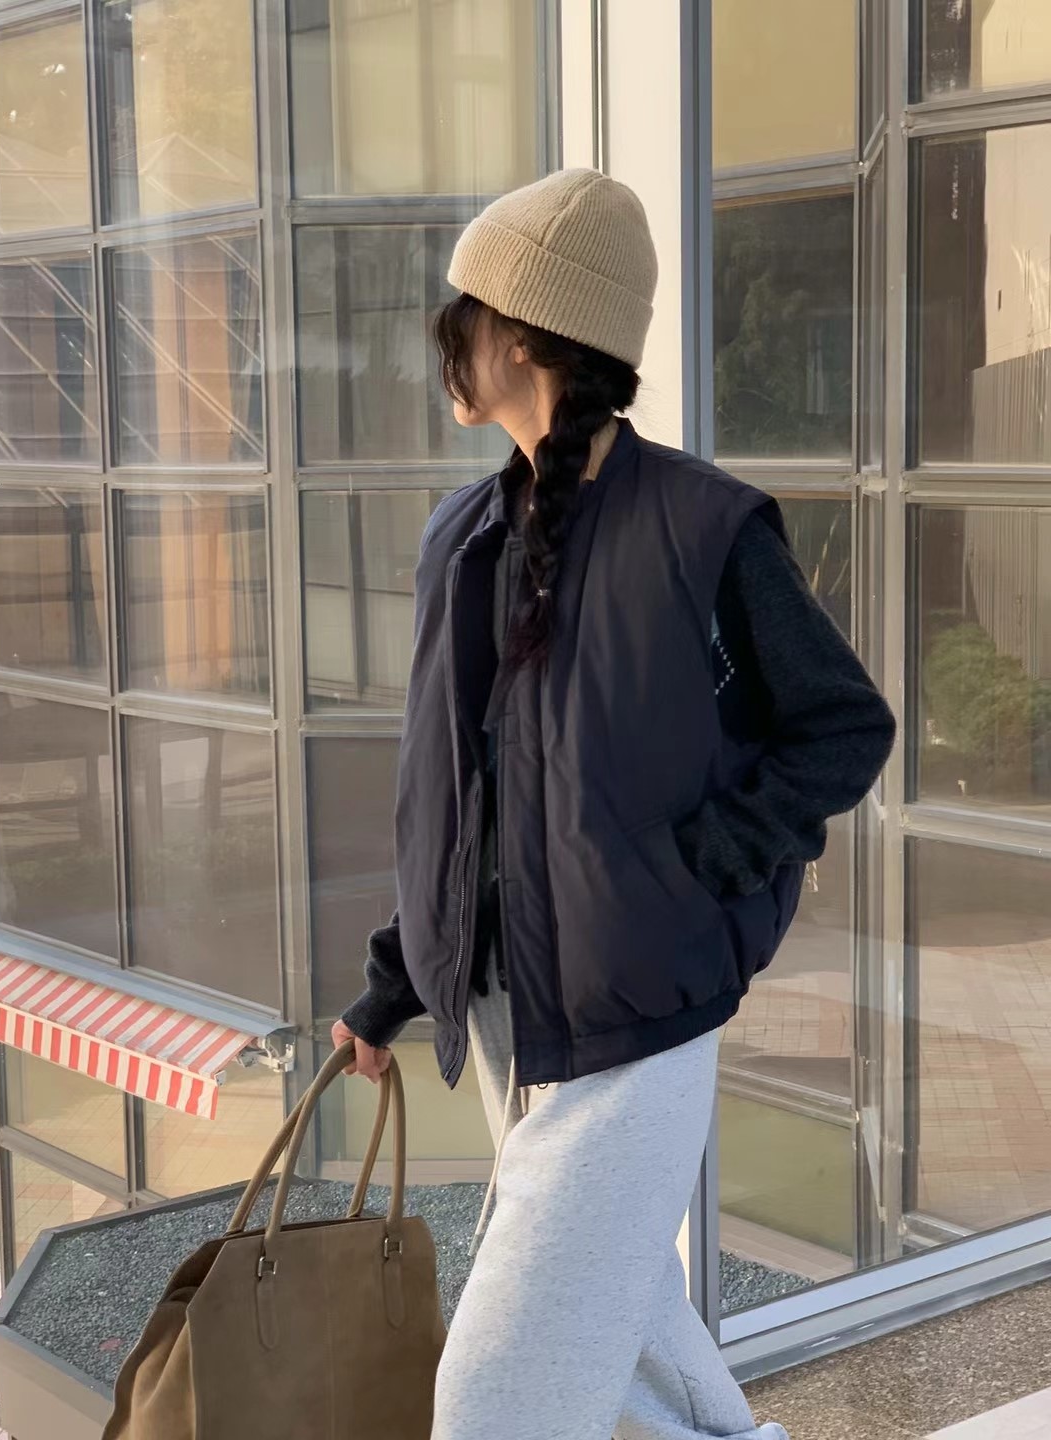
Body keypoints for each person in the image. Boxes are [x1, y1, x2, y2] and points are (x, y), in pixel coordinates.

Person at [332, 168, 895, 1440]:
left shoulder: (704, 528)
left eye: (465, 313)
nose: (444, 340)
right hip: (507, 1017)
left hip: (636, 1029)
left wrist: (696, 869)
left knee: (492, 1401)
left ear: (524, 337)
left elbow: (842, 726)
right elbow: (460, 799)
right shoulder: (461, 537)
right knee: (633, 1350)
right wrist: (393, 983)